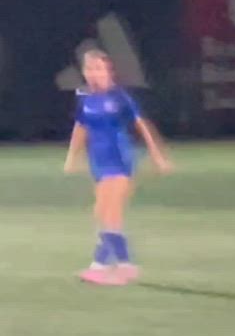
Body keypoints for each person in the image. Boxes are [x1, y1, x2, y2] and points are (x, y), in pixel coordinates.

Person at [63, 49, 172, 286]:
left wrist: (157, 155)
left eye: (98, 69)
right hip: (98, 162)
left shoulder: (120, 97)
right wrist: (72, 155)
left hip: (120, 160)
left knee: (109, 212)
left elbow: (141, 125)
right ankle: (121, 265)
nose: (93, 73)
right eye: (89, 69)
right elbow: (81, 127)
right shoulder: (85, 98)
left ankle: (105, 266)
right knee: (103, 213)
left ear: (109, 71)